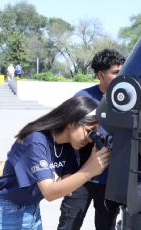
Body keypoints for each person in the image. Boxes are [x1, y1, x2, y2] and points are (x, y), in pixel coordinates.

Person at [0, 96, 111, 230]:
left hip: (32, 209)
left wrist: (92, 163)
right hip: (7, 212)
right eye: (90, 131)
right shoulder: (36, 140)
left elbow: (68, 186)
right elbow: (50, 192)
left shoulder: (67, 145)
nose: (90, 139)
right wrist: (90, 170)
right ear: (72, 122)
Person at [57, 48, 125, 230]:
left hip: (110, 183)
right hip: (80, 179)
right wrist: (67, 173)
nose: (121, 77)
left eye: (122, 72)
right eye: (115, 73)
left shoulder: (128, 99)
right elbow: (67, 138)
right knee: (68, 225)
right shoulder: (83, 98)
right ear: (100, 75)